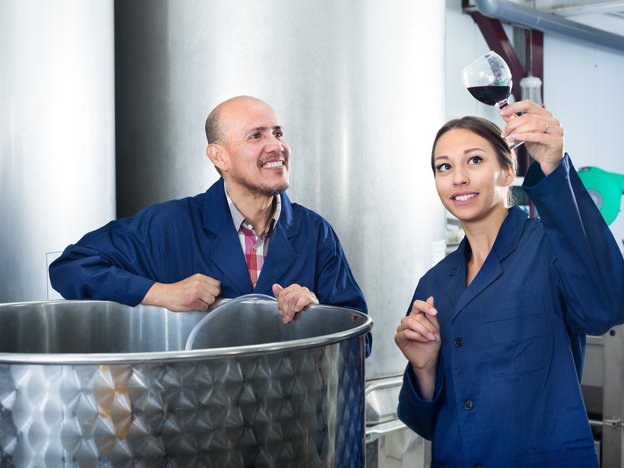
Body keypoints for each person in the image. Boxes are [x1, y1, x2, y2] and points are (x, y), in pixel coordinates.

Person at [394, 100, 624, 467]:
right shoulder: (434, 283)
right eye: (444, 167)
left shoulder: (548, 247)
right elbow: (427, 424)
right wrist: (423, 369)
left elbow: (606, 307)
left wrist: (552, 167)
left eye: (474, 160)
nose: (458, 178)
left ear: (507, 169)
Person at [50, 95, 368, 337]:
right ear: (219, 156)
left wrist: (318, 315)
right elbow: (70, 267)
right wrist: (162, 293)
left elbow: (359, 338)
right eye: (256, 136)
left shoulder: (315, 233)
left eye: (278, 133)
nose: (277, 146)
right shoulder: (169, 226)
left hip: (290, 415)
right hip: (196, 414)